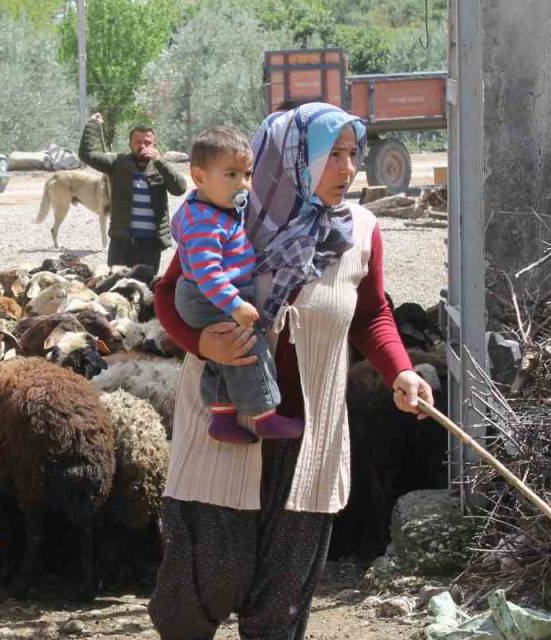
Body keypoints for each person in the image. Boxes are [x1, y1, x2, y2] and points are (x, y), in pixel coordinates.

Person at [147, 103, 435, 640]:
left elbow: (372, 312)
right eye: (333, 156)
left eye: (353, 155)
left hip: (308, 434)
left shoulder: (360, 231)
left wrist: (400, 371)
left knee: (282, 596)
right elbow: (169, 293)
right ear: (293, 158)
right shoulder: (229, 214)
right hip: (223, 423)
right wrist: (200, 340)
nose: (348, 170)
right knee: (208, 574)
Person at [170, 126, 303, 445]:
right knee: (247, 347)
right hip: (210, 297)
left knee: (222, 356)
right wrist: (235, 305)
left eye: (247, 175)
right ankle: (265, 417)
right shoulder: (206, 224)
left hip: (205, 295)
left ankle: (222, 416)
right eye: (231, 175)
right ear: (199, 177)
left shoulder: (210, 209)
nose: (242, 184)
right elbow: (208, 273)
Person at [78, 112, 188, 270]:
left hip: (150, 244)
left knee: (145, 288)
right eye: (137, 142)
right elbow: (87, 154)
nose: (142, 146)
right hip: (122, 242)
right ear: (130, 144)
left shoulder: (161, 167)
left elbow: (180, 189)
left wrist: (160, 162)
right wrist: (93, 126)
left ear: (154, 145)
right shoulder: (117, 163)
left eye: (147, 142)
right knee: (115, 288)